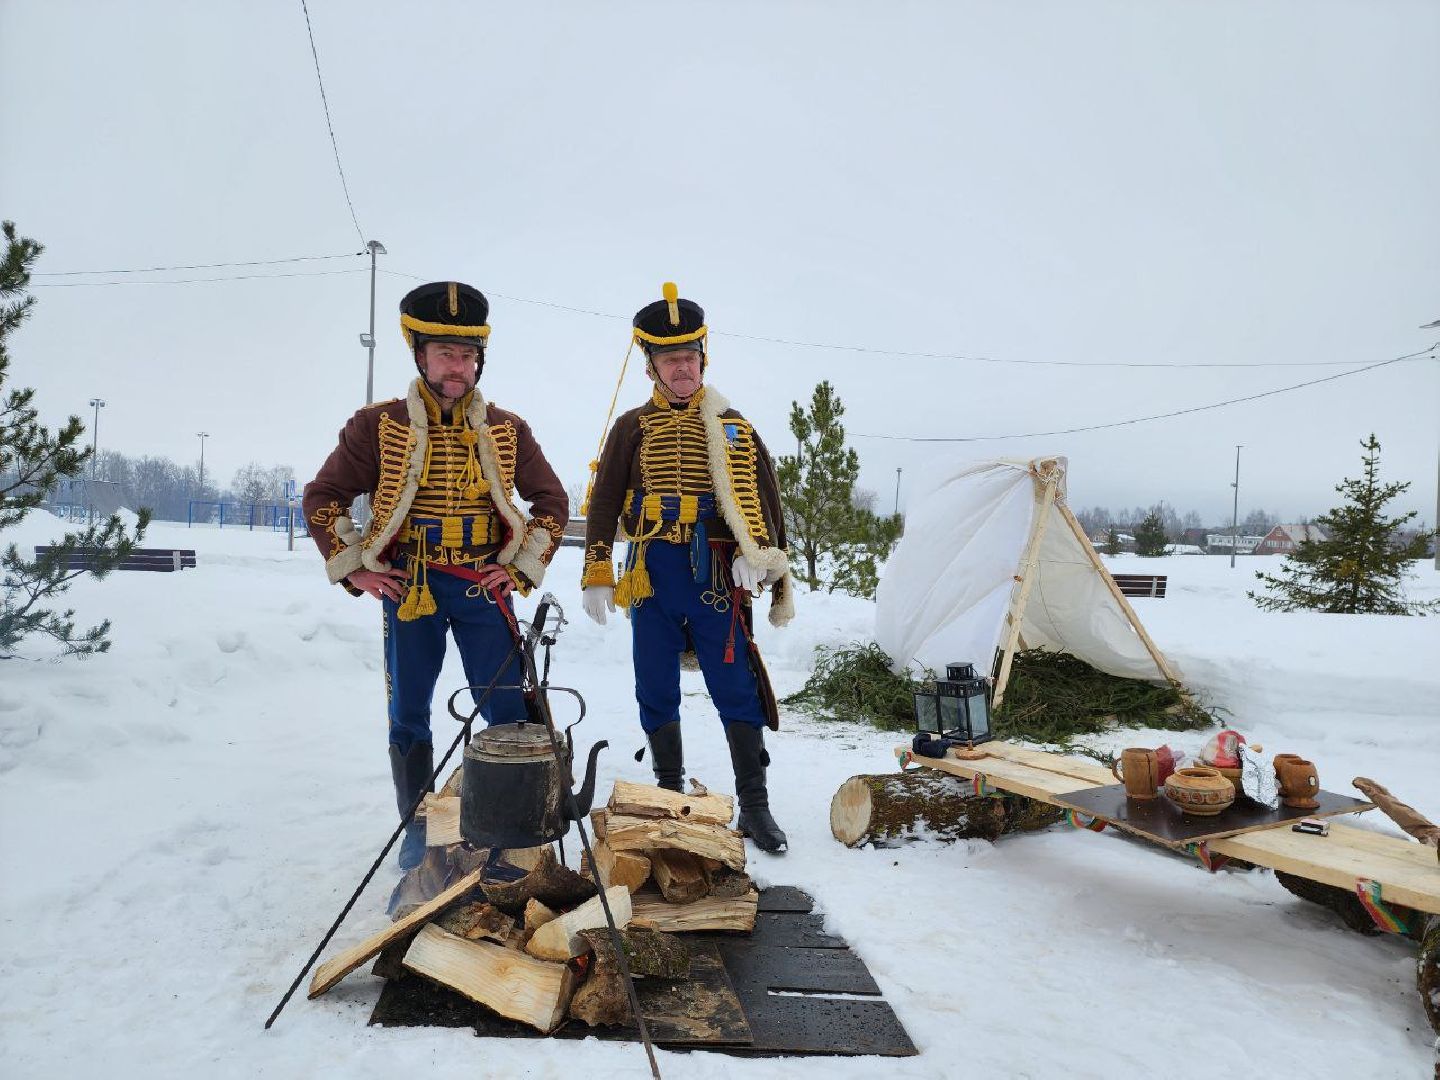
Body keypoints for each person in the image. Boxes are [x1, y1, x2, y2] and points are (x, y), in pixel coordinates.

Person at [304, 280, 567, 878]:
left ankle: (508, 831)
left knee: (504, 708)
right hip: (410, 584)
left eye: (469, 355)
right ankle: (417, 828)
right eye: (447, 353)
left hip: (481, 584)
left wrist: (520, 564)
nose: (460, 366)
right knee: (409, 712)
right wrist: (357, 569)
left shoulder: (507, 428)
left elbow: (550, 500)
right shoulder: (377, 425)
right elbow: (323, 496)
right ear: (419, 355)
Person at [580, 283, 795, 852]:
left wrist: (766, 562)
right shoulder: (631, 426)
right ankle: (667, 795)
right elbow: (603, 501)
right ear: (652, 366)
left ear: (704, 359)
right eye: (671, 359)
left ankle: (754, 806)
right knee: (654, 681)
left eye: (690, 357)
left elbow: (764, 498)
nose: (683, 368)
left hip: (716, 572)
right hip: (651, 571)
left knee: (734, 683)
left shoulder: (734, 427)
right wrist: (598, 567)